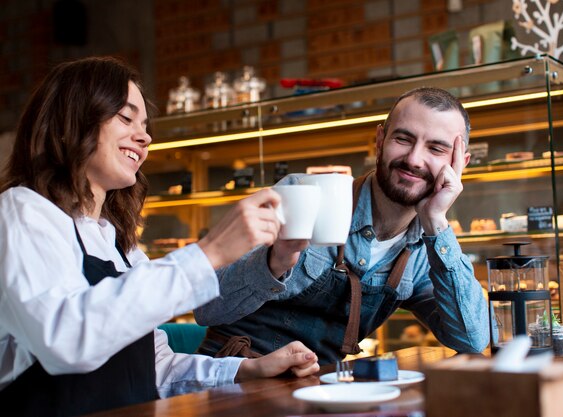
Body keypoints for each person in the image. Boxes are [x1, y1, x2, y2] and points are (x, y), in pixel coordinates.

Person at [0, 56, 319, 417]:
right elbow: (66, 341)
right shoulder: (22, 211)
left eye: (146, 125)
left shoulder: (120, 244)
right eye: (125, 117)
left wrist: (247, 369)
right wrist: (209, 252)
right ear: (70, 120)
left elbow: (156, 368)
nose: (145, 136)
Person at [194, 87, 490, 364]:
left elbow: (472, 340)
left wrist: (437, 223)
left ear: (459, 164)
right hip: (234, 377)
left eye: (435, 149)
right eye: (403, 139)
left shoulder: (426, 249)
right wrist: (273, 263)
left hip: (317, 387)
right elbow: (207, 308)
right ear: (379, 141)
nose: (414, 159)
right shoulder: (303, 195)